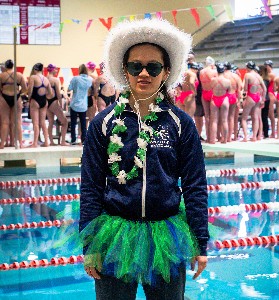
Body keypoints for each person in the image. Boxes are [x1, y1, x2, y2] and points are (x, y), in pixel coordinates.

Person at [79, 18, 209, 300]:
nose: (144, 74)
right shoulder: (103, 123)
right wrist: (89, 245)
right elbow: (90, 186)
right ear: (124, 70)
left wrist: (200, 241)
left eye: (153, 66)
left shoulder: (180, 124)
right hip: (114, 236)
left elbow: (195, 185)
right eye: (135, 66)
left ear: (167, 72)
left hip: (167, 235)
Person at [0, 59, 27, 149]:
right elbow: (25, 88)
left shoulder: (1, 76)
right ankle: (21, 144)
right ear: (13, 66)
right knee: (18, 121)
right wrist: (19, 93)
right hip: (16, 97)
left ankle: (2, 144)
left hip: (4, 98)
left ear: (5, 66)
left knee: (4, 122)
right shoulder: (19, 75)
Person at [27, 63, 52, 147]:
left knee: (36, 123)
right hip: (44, 101)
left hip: (35, 101)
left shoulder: (33, 77)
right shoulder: (46, 79)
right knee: (43, 123)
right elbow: (51, 93)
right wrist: (45, 97)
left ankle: (34, 143)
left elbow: (30, 91)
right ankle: (46, 142)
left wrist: (28, 98)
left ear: (35, 69)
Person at [67, 64, 93, 145]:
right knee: (83, 124)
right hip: (84, 105)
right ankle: (83, 140)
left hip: (74, 103)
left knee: (73, 123)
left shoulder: (75, 79)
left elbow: (69, 89)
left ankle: (73, 140)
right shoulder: (89, 80)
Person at [241, 61, 266, 142]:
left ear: (248, 67)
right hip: (258, 97)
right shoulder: (258, 76)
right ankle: (254, 137)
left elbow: (245, 89)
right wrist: (263, 99)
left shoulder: (247, 75)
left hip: (251, 97)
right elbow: (264, 89)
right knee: (255, 118)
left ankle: (245, 137)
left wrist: (243, 99)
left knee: (244, 118)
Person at [46, 64, 69, 146]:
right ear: (52, 70)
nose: (57, 71)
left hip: (46, 102)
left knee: (51, 122)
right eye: (56, 69)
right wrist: (60, 104)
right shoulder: (55, 80)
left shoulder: (45, 79)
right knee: (65, 122)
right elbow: (58, 94)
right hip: (54, 102)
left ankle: (51, 142)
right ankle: (63, 142)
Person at [209, 63, 231, 144]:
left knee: (214, 121)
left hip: (214, 99)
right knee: (224, 121)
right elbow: (229, 91)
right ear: (223, 71)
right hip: (224, 99)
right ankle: (224, 140)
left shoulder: (212, 80)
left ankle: (212, 140)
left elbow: (210, 88)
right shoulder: (227, 81)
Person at [199, 56, 217, 142]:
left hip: (204, 93)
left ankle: (208, 138)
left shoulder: (201, 72)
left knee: (207, 116)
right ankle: (212, 139)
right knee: (213, 117)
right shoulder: (213, 71)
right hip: (212, 93)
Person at [224, 61, 242, 142]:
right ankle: (230, 138)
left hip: (224, 97)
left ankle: (223, 137)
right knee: (232, 117)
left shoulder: (222, 75)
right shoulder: (236, 76)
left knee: (224, 119)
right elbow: (239, 89)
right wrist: (239, 100)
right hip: (233, 96)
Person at [264, 60, 276, 138]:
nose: (265, 67)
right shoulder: (268, 75)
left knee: (271, 115)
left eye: (266, 66)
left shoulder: (271, 75)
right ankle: (269, 131)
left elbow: (274, 88)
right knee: (267, 115)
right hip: (269, 94)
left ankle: (273, 132)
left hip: (270, 95)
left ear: (269, 66)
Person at [86, 61, 98, 126]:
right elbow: (95, 92)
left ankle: (82, 135)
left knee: (85, 119)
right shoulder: (93, 79)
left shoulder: (82, 77)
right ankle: (91, 134)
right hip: (90, 98)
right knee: (91, 118)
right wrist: (95, 102)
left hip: (83, 99)